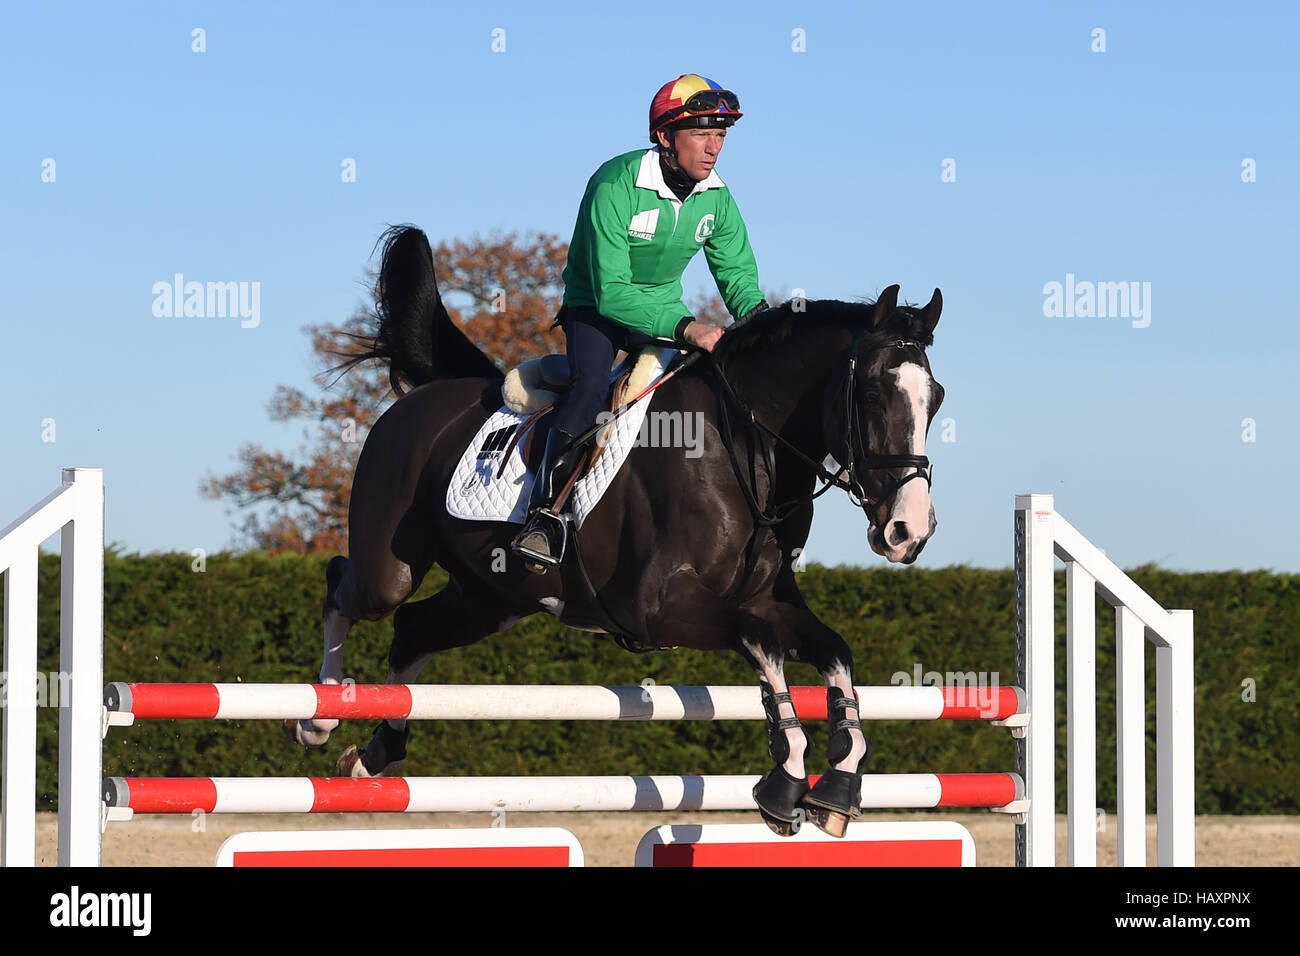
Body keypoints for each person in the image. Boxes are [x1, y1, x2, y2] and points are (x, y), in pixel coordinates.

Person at [511, 73, 768, 573]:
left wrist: (763, 328)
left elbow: (737, 276)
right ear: (664, 137)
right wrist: (689, 328)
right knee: (589, 389)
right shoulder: (614, 183)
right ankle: (543, 518)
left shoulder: (717, 197)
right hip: (597, 310)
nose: (713, 147)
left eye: (720, 135)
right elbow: (612, 290)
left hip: (663, 315)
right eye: (701, 134)